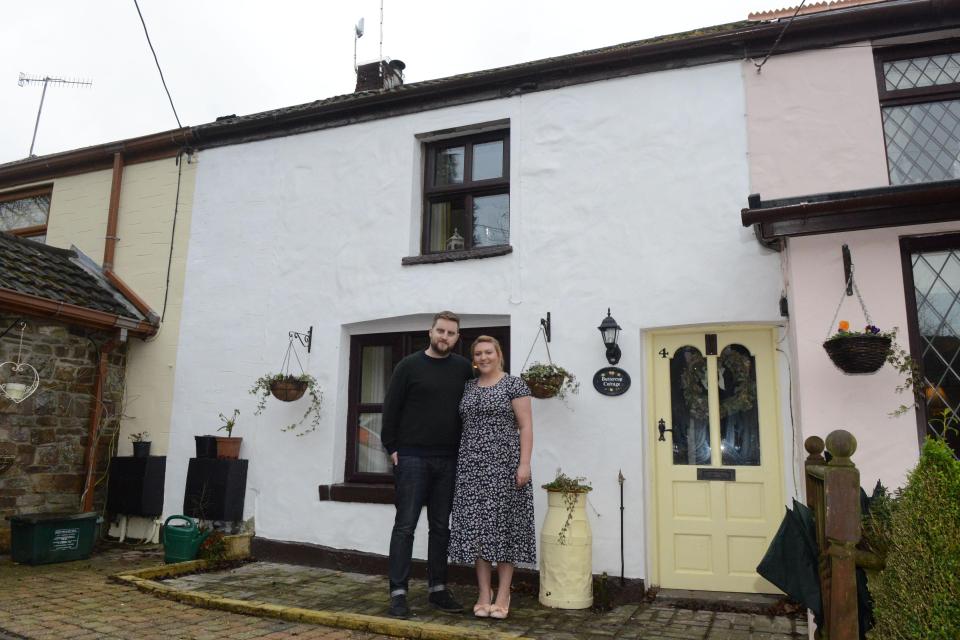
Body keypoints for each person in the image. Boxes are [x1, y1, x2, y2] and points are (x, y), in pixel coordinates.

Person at [381, 311, 474, 619]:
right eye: (440, 331)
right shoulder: (408, 366)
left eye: (451, 333)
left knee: (440, 528)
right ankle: (398, 594)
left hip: (449, 459)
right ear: (430, 332)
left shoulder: (463, 369)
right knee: (405, 526)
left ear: (457, 338)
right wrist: (392, 448)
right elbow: (391, 409)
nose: (444, 337)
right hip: (412, 457)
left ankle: (438, 590)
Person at [448, 335, 534, 621]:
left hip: (505, 466)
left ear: (498, 354)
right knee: (478, 533)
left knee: (504, 530)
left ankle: (503, 593)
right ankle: (484, 593)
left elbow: (526, 427)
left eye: (489, 352)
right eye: (479, 353)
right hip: (471, 468)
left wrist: (524, 464)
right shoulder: (468, 386)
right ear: (474, 359)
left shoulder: (513, 384)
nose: (484, 357)